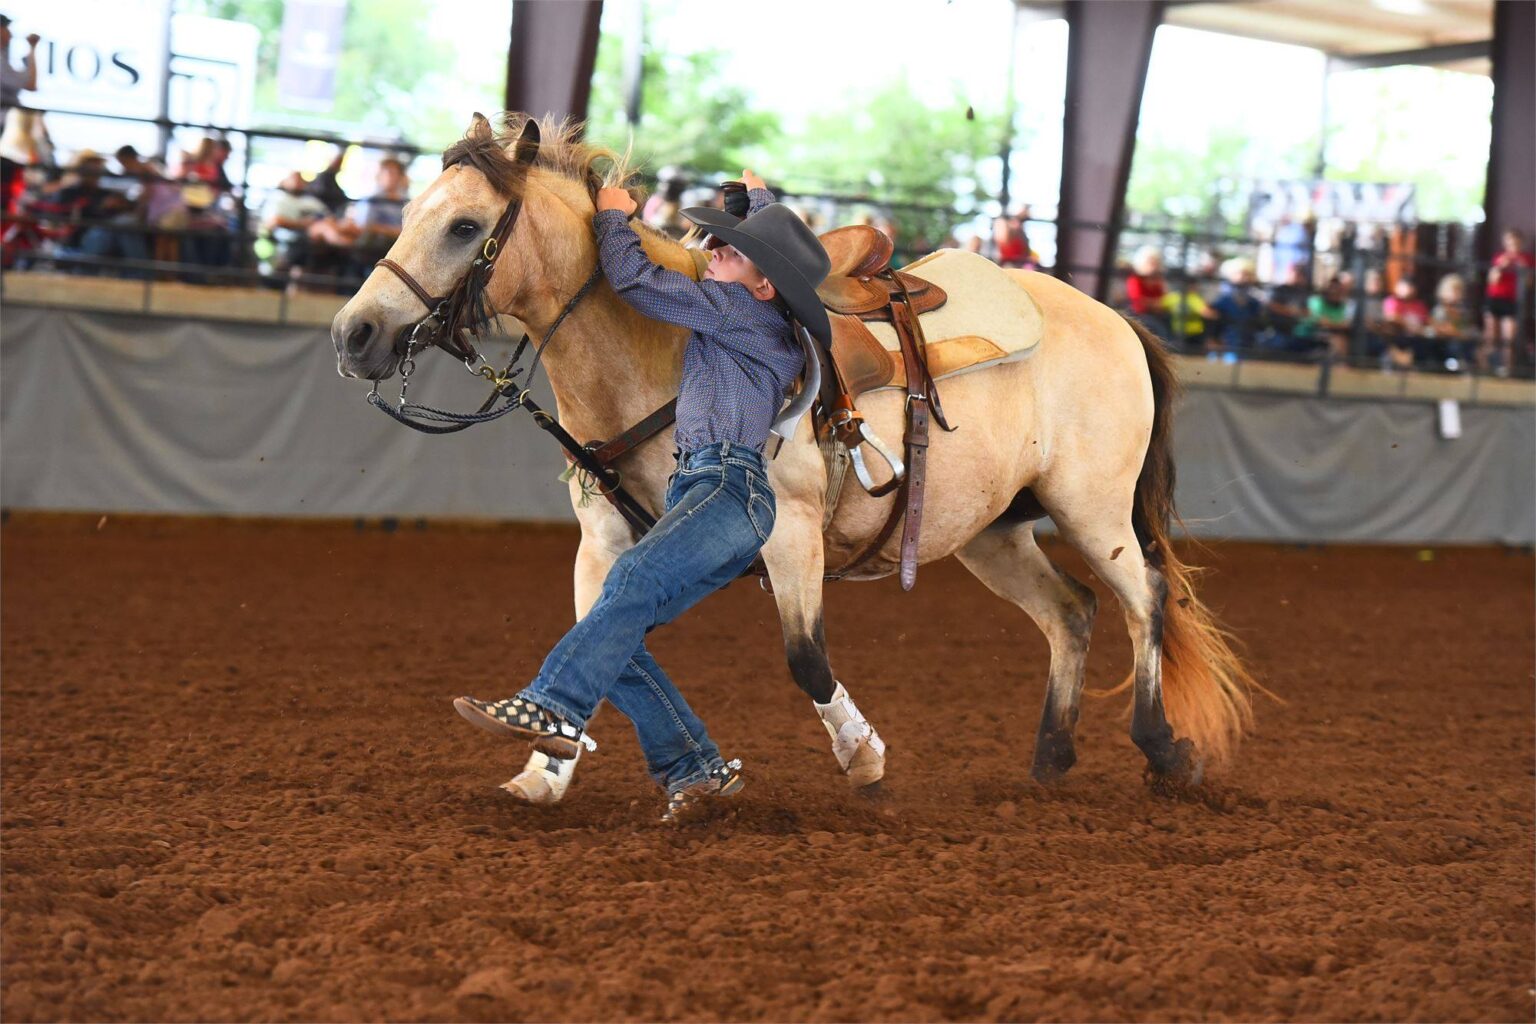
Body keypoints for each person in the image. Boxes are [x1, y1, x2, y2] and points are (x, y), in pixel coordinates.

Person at [454, 170, 837, 824]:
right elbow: (766, 257)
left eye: (729, 252)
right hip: (719, 492)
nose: (712, 251)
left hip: (724, 486)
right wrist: (757, 207)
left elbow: (634, 281)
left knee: (626, 579)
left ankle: (552, 707)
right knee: (614, 624)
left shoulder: (735, 308)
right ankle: (695, 768)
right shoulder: (757, 310)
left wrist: (611, 216)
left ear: (763, 285)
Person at [1481, 229, 1533, 376]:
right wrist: (1501, 266)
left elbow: (1529, 285)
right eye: (1510, 242)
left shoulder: (1527, 259)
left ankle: (1508, 370)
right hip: (1495, 299)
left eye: (1516, 242)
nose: (1513, 245)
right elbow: (1492, 280)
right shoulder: (1499, 257)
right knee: (1491, 336)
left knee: (1508, 338)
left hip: (1512, 301)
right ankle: (1483, 367)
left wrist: (1524, 269)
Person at [0, 15, 39, 202]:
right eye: (5, 28)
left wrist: (32, 50)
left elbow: (30, 84)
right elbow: (28, 83)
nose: (10, 34)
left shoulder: (3, 58)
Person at [1210, 257, 1265, 351]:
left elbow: (1259, 321)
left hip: (1247, 341)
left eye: (1248, 275)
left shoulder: (1254, 300)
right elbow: (1214, 319)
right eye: (1242, 274)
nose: (1245, 278)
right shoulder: (1223, 298)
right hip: (1226, 340)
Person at [1430, 273, 1477, 372]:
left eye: (1458, 291)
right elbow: (1437, 328)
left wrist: (1457, 330)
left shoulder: (1463, 312)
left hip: (1458, 340)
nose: (1456, 294)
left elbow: (1463, 329)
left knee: (1467, 343)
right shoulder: (1439, 310)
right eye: (1453, 291)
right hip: (1442, 342)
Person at [1381, 277, 1430, 370]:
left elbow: (1427, 321)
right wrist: (1407, 325)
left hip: (1416, 338)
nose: (1409, 289)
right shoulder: (1392, 300)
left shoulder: (1419, 305)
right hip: (1397, 337)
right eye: (1406, 286)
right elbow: (1391, 317)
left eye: (1411, 286)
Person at [1299, 275, 1351, 361]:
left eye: (1338, 289)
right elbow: (1321, 322)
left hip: (1334, 333)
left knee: (1342, 339)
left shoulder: (1343, 305)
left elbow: (1346, 324)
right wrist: (1337, 324)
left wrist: (1333, 324)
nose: (1335, 292)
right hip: (1313, 331)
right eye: (1332, 288)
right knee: (1338, 340)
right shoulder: (1316, 301)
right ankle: (1340, 366)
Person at [1125, 245, 1169, 338]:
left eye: (1155, 263)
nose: (1154, 266)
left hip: (1156, 315)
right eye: (1151, 263)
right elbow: (1138, 300)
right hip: (1138, 315)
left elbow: (1163, 301)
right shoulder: (1135, 280)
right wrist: (1155, 303)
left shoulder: (1158, 281)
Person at [1265, 264, 1310, 353]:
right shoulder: (1279, 289)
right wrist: (1292, 311)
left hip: (1296, 331)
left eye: (1301, 275)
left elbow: (1307, 312)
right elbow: (1272, 306)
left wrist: (1292, 311)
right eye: (1297, 274)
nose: (1298, 277)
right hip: (1277, 329)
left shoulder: (1302, 293)